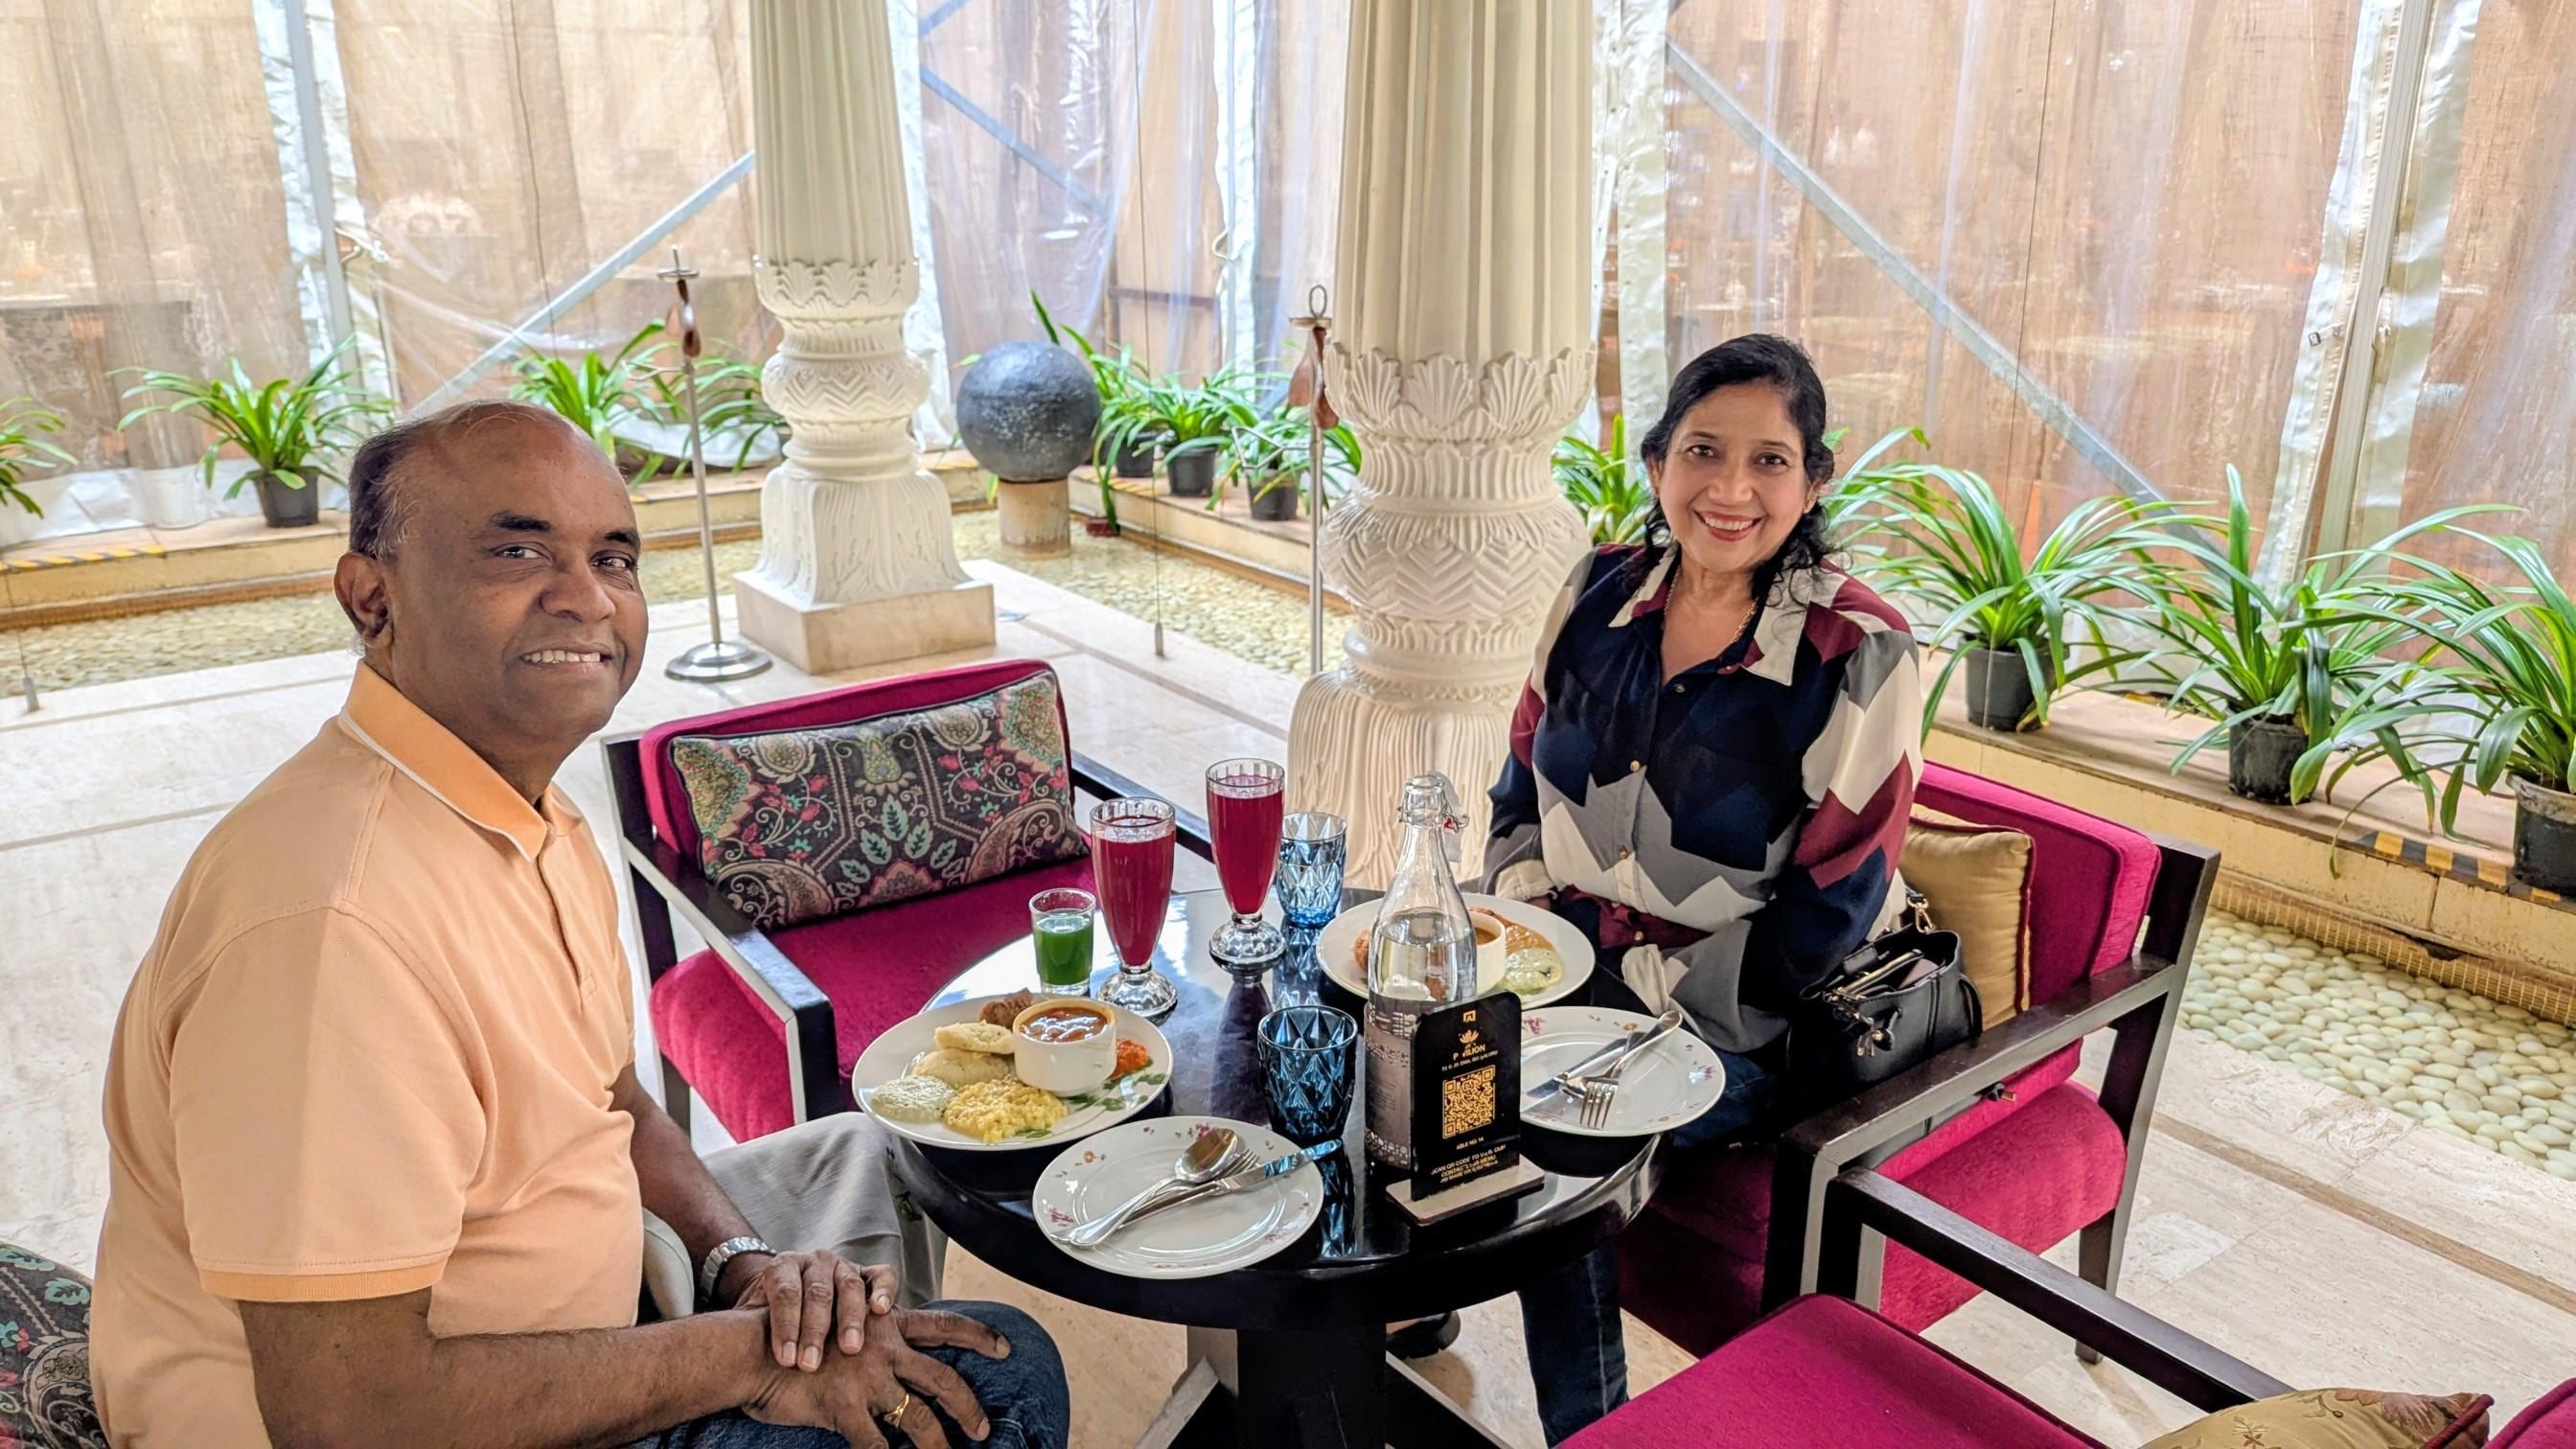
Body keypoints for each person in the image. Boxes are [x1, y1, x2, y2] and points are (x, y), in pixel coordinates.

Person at [90, 401, 1070, 1449]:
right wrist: (745, 1357)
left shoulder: (523, 811)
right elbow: (347, 1412)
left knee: (878, 1166)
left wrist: (742, 1268)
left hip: (589, 1289)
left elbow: (609, 1103)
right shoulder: (332, 925)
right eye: (517, 550)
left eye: (615, 556)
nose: (586, 597)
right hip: (426, 1413)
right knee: (998, 1374)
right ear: (371, 596)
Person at [1488, 336, 1923, 1443]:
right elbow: (1515, 792)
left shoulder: (1857, 647)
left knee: (1552, 1128)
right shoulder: (1596, 592)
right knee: (1394, 1033)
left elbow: (1833, 905)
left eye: (1770, 461)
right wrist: (1522, 945)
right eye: (1703, 451)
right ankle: (1398, 1323)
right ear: (1655, 463)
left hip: (1747, 1024)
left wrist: (1611, 999)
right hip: (1566, 976)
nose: (1731, 489)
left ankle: (1590, 1432)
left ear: (1816, 479)